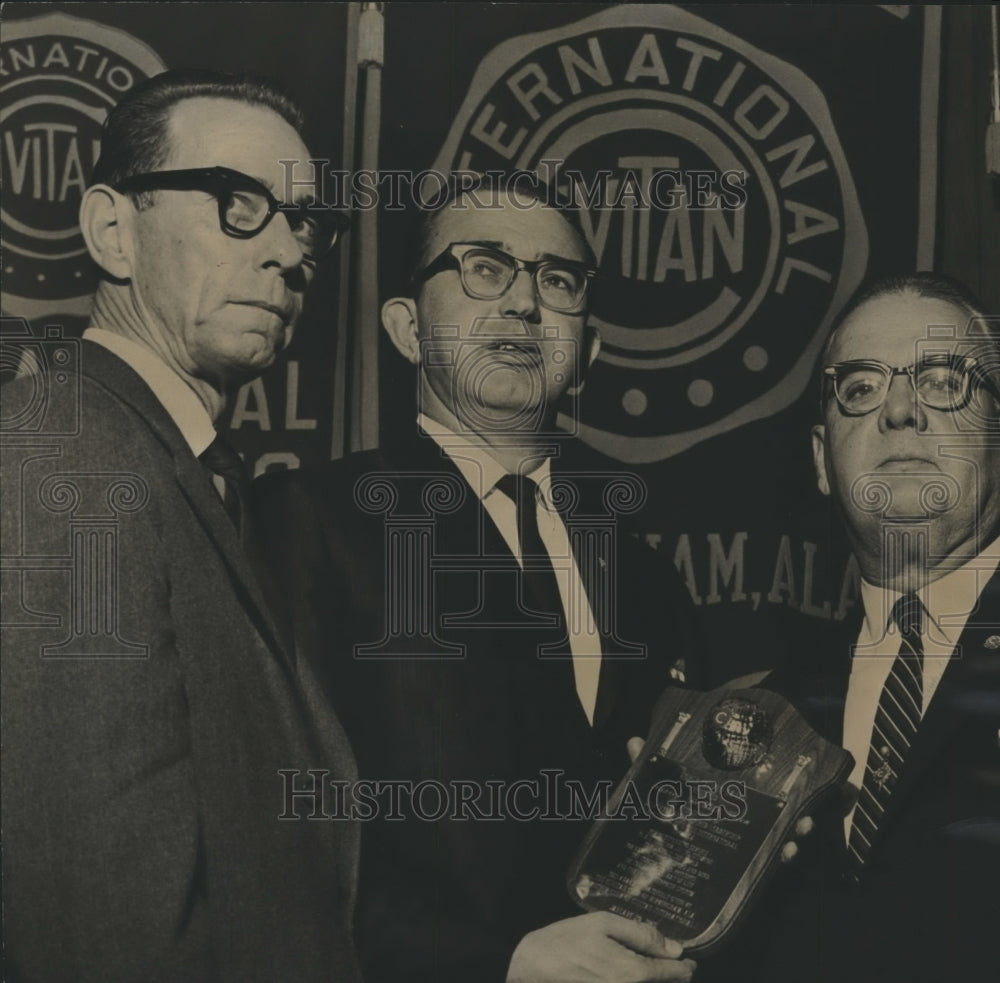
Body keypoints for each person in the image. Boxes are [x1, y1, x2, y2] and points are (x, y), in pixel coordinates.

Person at [253, 179, 705, 983]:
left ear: (589, 350)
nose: (526, 303)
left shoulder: (644, 573)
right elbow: (273, 832)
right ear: (405, 327)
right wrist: (496, 963)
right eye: (485, 268)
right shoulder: (312, 522)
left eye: (558, 281)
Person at [1, 70, 360, 982]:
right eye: (240, 204)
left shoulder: (180, 465)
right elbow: (94, 920)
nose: (288, 252)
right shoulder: (68, 458)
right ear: (113, 232)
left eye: (304, 219)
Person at [744, 273, 1000, 983]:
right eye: (859, 386)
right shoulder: (770, 714)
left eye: (944, 379)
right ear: (824, 462)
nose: (898, 408)